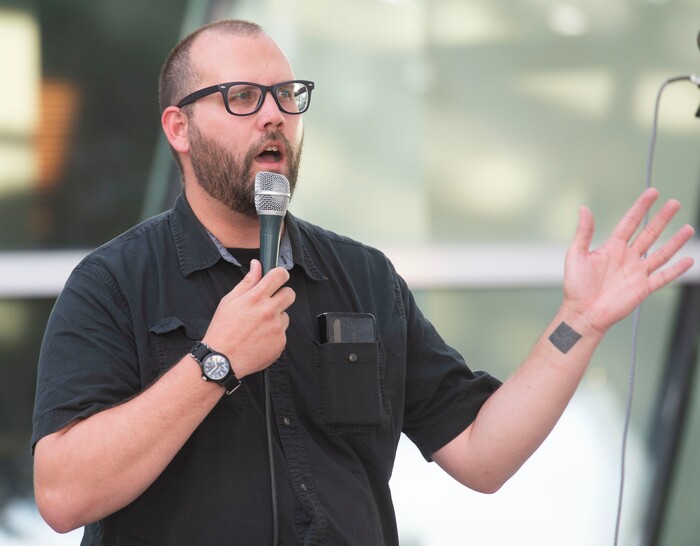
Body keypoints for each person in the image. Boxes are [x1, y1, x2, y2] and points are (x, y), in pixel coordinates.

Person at [31, 18, 695, 546]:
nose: (273, 117)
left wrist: (581, 318)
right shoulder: (114, 284)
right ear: (178, 127)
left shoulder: (364, 278)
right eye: (242, 98)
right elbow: (62, 497)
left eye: (287, 97)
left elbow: (482, 453)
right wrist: (215, 361)